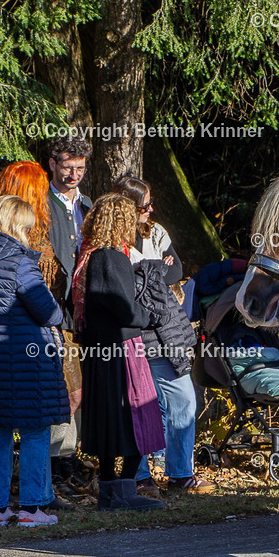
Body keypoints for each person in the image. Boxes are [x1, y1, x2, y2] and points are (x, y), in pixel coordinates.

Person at [112, 177, 215, 494]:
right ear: (128, 208)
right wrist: (157, 268)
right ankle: (140, 476)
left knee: (184, 399)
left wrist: (148, 269)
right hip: (132, 334)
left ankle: (181, 473)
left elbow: (176, 270)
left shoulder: (155, 231)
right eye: (145, 206)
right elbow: (127, 282)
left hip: (167, 332)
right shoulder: (111, 239)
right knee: (141, 407)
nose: (151, 209)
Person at [72, 193, 164, 511]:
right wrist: (151, 316)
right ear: (120, 221)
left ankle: (111, 491)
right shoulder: (114, 257)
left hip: (99, 351)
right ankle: (123, 492)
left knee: (108, 420)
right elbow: (124, 309)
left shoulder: (91, 256)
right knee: (138, 416)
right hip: (122, 348)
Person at [0, 161, 79, 510]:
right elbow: (47, 310)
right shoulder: (20, 259)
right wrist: (59, 314)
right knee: (34, 430)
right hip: (25, 358)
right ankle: (33, 504)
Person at [46, 136, 93, 299]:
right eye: (68, 168)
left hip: (84, 298)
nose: (74, 175)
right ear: (53, 164)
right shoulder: (40, 203)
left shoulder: (88, 204)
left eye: (80, 168)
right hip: (51, 296)